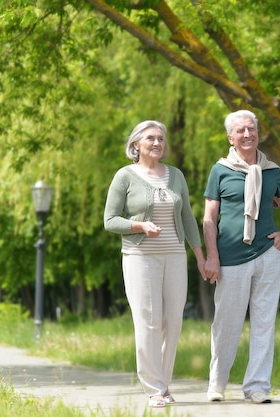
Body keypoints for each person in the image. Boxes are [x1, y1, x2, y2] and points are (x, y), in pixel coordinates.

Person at [103, 120, 205, 408]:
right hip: (140, 258)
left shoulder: (176, 176)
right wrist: (139, 226)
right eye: (150, 138)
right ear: (136, 144)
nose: (157, 142)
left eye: (161, 138)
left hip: (174, 255)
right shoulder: (125, 176)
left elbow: (187, 218)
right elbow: (110, 220)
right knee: (148, 323)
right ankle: (154, 389)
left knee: (172, 322)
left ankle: (163, 383)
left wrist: (200, 256)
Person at [202, 110, 280, 404]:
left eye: (251, 129)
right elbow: (209, 218)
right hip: (230, 258)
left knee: (264, 323)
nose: (247, 135)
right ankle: (217, 385)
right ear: (230, 137)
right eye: (240, 131)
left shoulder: (272, 171)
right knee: (226, 324)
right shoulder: (220, 170)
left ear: (258, 133)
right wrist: (212, 257)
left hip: (267, 256)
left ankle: (257, 387)